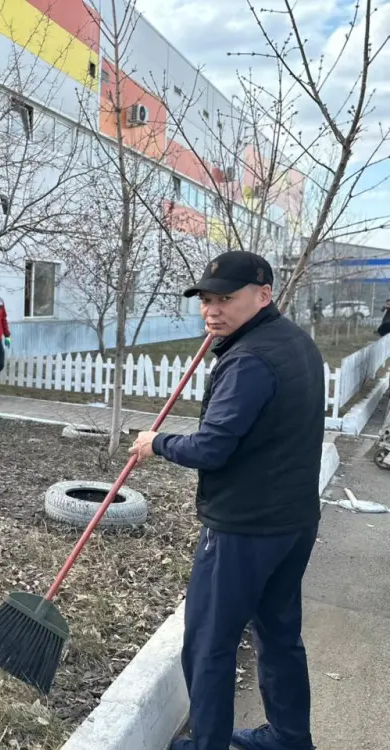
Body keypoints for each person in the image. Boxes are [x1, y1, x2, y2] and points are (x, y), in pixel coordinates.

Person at [128, 251, 325, 750]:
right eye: (207, 300)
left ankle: (207, 743)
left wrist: (158, 442)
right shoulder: (296, 343)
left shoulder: (249, 360)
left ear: (263, 295)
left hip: (244, 526)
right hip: (293, 520)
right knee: (279, 636)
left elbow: (213, 448)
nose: (212, 310)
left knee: (209, 644)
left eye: (226, 300)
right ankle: (289, 738)